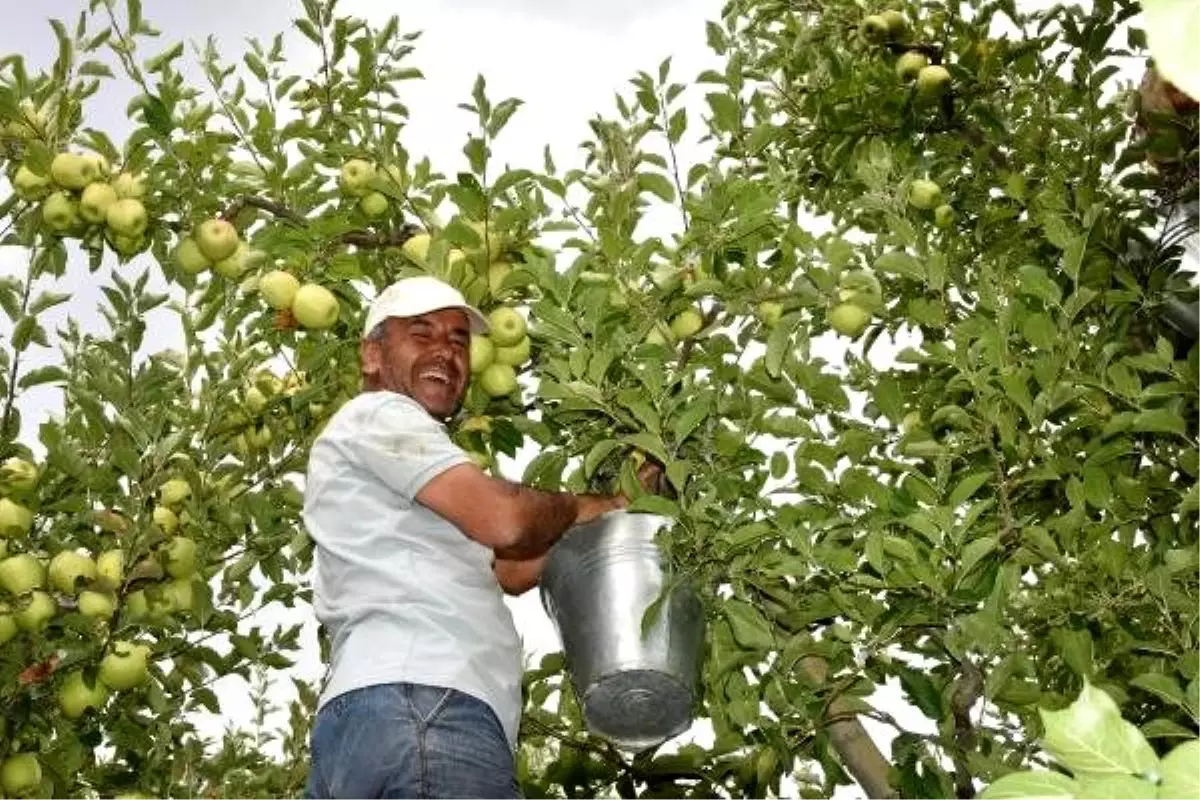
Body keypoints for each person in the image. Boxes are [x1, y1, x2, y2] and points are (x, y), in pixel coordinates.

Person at [301, 276, 647, 799]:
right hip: (427, 706)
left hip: (364, 728)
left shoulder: (412, 476)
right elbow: (507, 522)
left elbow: (510, 567)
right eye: (422, 333)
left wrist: (620, 509)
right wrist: (582, 504)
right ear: (372, 355)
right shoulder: (380, 416)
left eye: (459, 340)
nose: (446, 351)